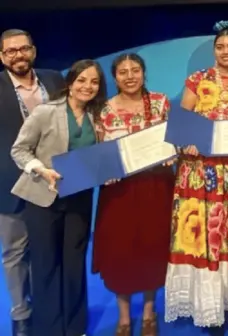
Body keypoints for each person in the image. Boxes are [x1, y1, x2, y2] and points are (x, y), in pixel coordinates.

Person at [164, 20, 228, 331]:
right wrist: (188, 142)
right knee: (200, 235)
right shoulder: (197, 80)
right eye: (220, 47)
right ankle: (205, 306)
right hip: (198, 171)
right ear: (214, 50)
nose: (225, 51)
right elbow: (183, 122)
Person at [10, 59, 107, 336]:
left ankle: (75, 326)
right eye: (82, 80)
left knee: (74, 262)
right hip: (43, 197)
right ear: (70, 82)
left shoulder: (97, 116)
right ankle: (49, 328)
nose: (87, 86)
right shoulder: (45, 112)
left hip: (79, 197)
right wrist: (41, 169)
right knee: (45, 263)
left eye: (94, 82)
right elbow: (20, 150)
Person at [92, 53, 175, 336]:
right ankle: (124, 318)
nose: (130, 76)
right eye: (123, 72)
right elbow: (96, 150)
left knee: (153, 247)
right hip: (118, 192)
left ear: (143, 73)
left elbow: (174, 139)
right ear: (114, 77)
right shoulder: (102, 109)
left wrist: (171, 153)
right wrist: (104, 169)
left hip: (156, 188)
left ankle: (150, 314)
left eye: (135, 70)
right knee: (121, 251)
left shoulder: (161, 102)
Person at [0, 28, 65, 336]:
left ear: (34, 51)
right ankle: (21, 315)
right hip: (9, 184)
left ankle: (50, 308)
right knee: (14, 253)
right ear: (2, 57)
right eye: (11, 51)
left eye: (23, 49)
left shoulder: (54, 80)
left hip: (53, 183)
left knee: (50, 249)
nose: (18, 55)